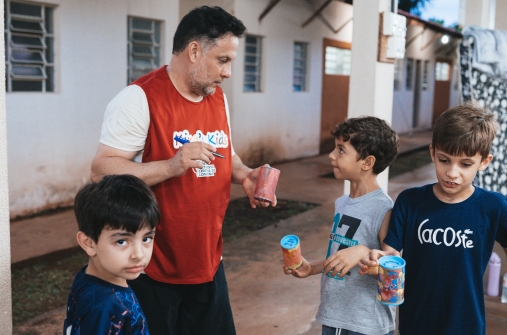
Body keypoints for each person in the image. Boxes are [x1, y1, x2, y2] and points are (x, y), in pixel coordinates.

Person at [90, 6, 274, 334]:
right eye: (223, 60)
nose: (228, 72)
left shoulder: (216, 98)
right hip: (153, 271)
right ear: (193, 51)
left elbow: (224, 154)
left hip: (208, 263)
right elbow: (102, 171)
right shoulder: (139, 98)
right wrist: (171, 165)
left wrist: (245, 174)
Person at [359, 102, 507, 335]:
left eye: (465, 164)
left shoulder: (493, 207)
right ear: (432, 153)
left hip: (467, 327)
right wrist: (376, 259)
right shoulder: (410, 201)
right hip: (414, 326)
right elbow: (391, 255)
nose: (452, 172)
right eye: (444, 160)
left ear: (484, 162)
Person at [284, 116, 399, 335]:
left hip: (364, 323)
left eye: (341, 150)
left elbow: (393, 274)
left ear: (367, 162)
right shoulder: (343, 202)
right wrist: (312, 268)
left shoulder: (384, 209)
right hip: (337, 315)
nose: (331, 155)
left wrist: (365, 252)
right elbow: (341, 253)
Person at [63, 174, 160, 334]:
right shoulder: (104, 307)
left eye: (147, 238)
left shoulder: (89, 279)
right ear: (88, 243)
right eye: (122, 241)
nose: (138, 254)